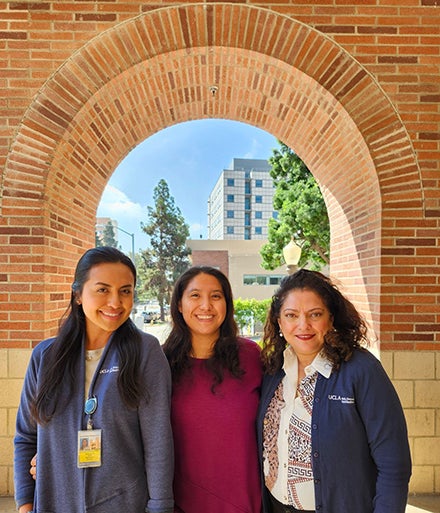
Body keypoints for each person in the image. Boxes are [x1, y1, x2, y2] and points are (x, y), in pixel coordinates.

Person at [14, 247, 174, 513]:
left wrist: (159, 507)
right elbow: (26, 437)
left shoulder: (145, 351)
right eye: (102, 290)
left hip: (124, 504)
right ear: (77, 294)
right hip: (55, 501)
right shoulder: (45, 356)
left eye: (125, 290)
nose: (115, 302)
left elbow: (158, 443)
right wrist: (26, 504)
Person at [257, 269, 412, 513]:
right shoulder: (273, 370)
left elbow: (394, 465)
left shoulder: (362, 370)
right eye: (291, 315)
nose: (303, 325)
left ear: (331, 318)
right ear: (279, 322)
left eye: (315, 314)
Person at [162, 266, 263, 513]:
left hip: (246, 502)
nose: (206, 305)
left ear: (226, 304)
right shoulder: (160, 362)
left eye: (216, 296)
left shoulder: (251, 356)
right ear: (179, 304)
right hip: (182, 504)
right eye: (195, 295)